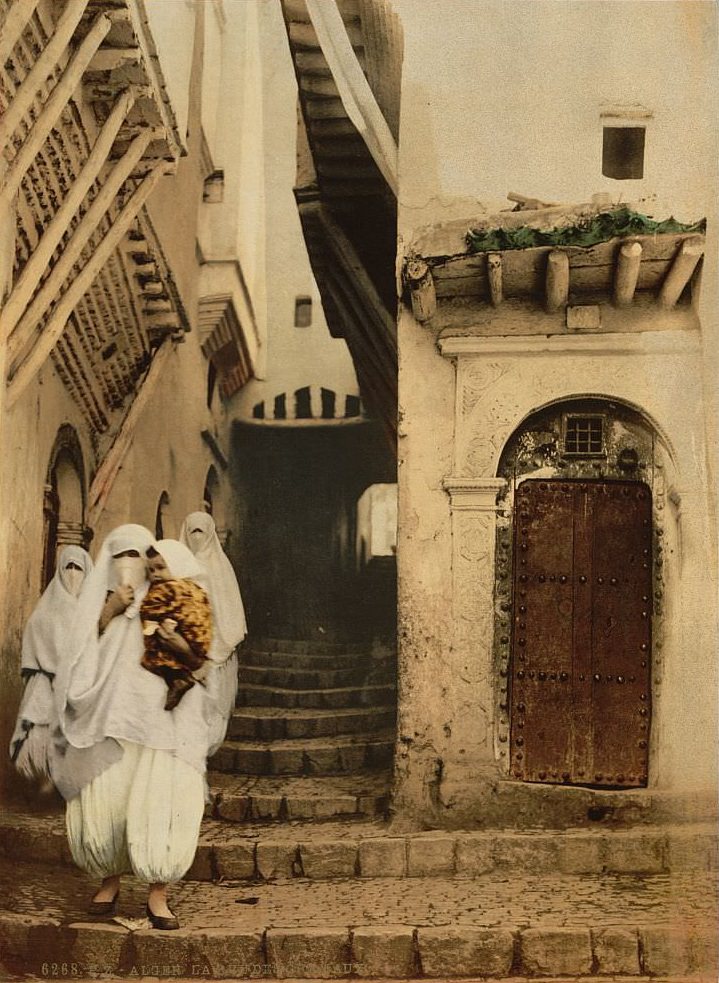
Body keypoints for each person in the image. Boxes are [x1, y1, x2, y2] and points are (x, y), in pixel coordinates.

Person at [53, 525, 212, 931]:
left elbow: (198, 658)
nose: (130, 565)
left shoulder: (174, 596)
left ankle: (158, 892)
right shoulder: (102, 604)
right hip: (112, 719)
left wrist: (174, 643)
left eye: (136, 556)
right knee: (112, 795)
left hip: (163, 719)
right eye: (119, 555)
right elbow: (76, 656)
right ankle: (109, 880)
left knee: (162, 792)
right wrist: (109, 611)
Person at [10, 546, 93, 789]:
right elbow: (35, 648)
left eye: (78, 568)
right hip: (45, 685)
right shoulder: (45, 611)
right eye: (68, 567)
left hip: (78, 686)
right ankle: (37, 782)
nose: (73, 573)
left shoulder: (91, 613)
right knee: (40, 732)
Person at [179, 512, 247, 755]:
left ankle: (203, 755)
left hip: (216, 650)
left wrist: (216, 647)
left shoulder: (220, 567)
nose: (197, 537)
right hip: (184, 649)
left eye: (201, 532)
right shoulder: (179, 567)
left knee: (213, 706)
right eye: (192, 531)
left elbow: (229, 612)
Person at [141, 542, 213, 711]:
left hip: (181, 636)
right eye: (151, 571)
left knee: (156, 655)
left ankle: (177, 680)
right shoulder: (197, 588)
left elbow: (149, 607)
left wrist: (147, 617)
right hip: (200, 639)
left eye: (160, 568)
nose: (155, 575)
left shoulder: (167, 588)